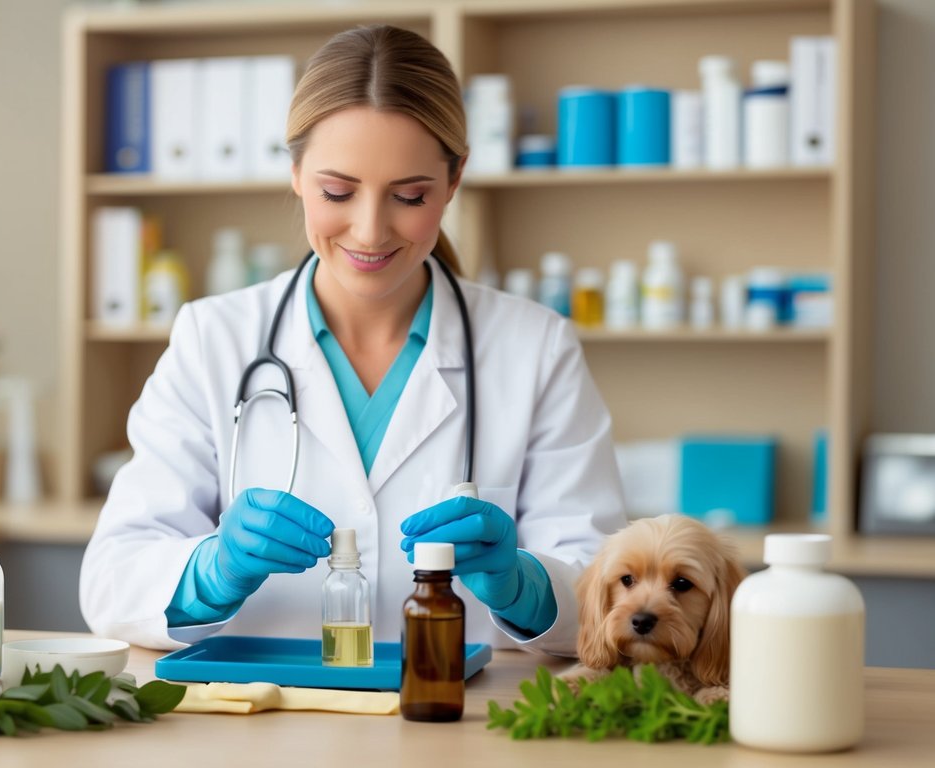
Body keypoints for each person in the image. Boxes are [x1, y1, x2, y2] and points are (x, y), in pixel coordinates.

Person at [80, 25, 626, 656]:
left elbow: (605, 588)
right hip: (264, 725)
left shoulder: (536, 348)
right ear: (295, 174)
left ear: (454, 181)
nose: (369, 230)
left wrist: (524, 584)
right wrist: (211, 570)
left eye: (410, 195)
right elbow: (112, 582)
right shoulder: (214, 339)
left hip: (459, 727)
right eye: (337, 192)